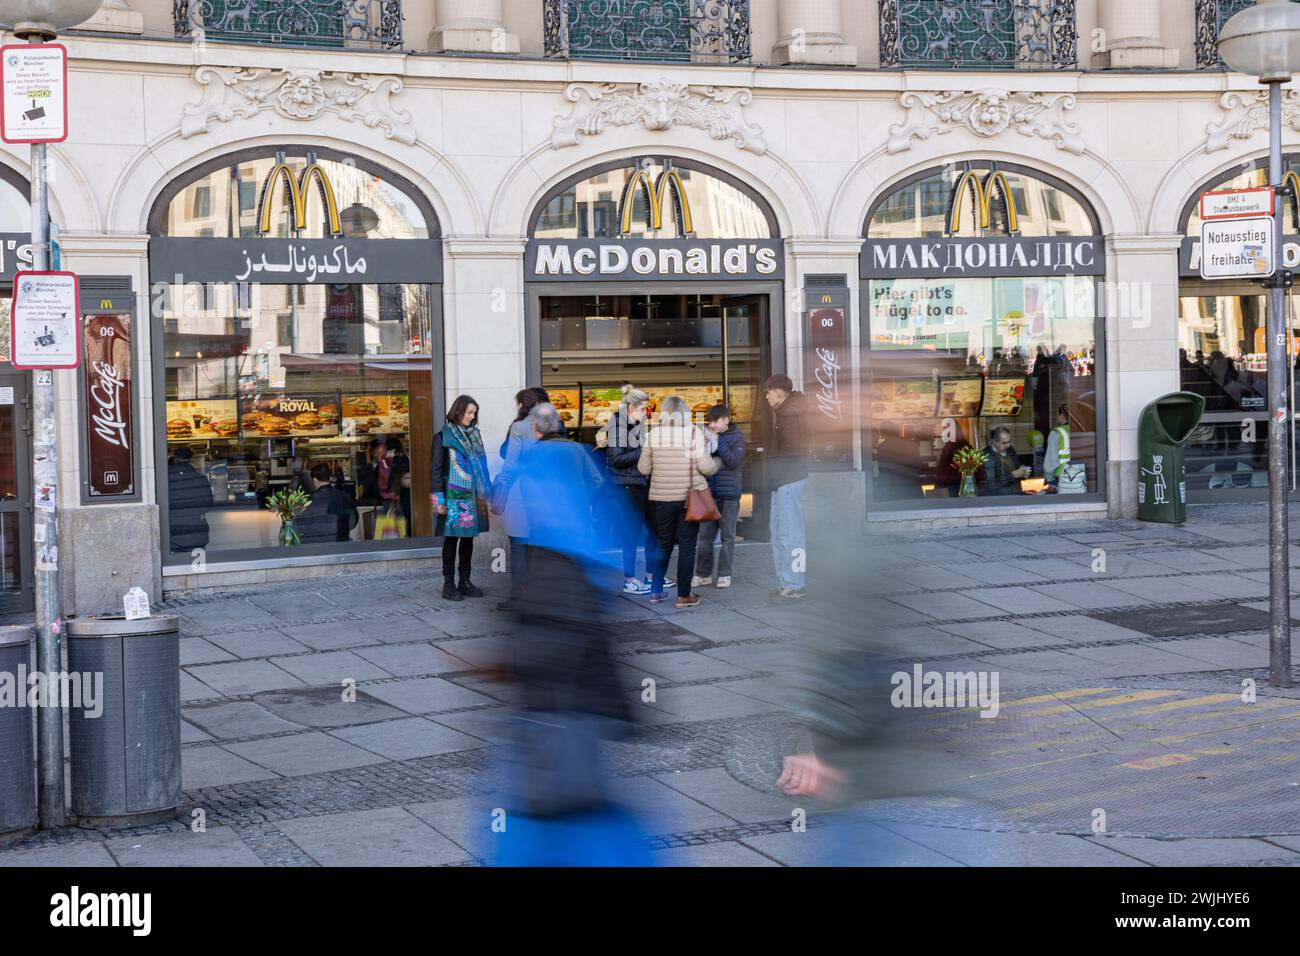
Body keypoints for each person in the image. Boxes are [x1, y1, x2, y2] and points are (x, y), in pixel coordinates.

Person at [488, 402, 649, 865]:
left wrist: (504, 666)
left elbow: (556, 640)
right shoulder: (578, 458)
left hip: (560, 731)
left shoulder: (552, 559)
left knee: (564, 828)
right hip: (573, 718)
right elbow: (602, 488)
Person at [637, 395, 719, 609]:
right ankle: (684, 596)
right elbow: (706, 467)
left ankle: (656, 591)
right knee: (687, 547)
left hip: (662, 499)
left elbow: (643, 469)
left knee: (663, 544)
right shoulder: (694, 433)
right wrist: (716, 461)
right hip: (688, 500)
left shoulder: (653, 435)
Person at [430, 395, 492, 601]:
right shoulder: (442, 437)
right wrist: (438, 502)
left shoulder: (475, 436)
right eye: (469, 413)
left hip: (473, 495)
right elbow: (435, 471)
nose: (472, 417)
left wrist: (489, 492)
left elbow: (483, 466)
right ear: (458, 412)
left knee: (467, 540)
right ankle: (448, 584)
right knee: (451, 540)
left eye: (474, 413)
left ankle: (465, 581)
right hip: (452, 496)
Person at [601, 385, 661, 595]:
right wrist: (643, 451)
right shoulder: (618, 427)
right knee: (632, 534)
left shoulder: (637, 426)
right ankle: (629, 579)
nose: (646, 413)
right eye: (643, 409)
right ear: (630, 407)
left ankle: (651, 575)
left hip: (641, 483)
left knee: (655, 531)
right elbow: (615, 459)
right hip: (627, 485)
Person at [493, 388, 546, 609]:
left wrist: (501, 486)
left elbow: (510, 462)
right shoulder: (554, 427)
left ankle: (518, 597)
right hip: (546, 492)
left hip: (521, 492)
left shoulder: (519, 427)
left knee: (519, 546)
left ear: (524, 405)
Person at [763, 373, 813, 601]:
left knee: (791, 535)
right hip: (784, 481)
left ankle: (796, 583)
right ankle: (788, 582)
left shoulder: (791, 415)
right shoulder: (786, 413)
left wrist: (777, 471)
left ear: (779, 392)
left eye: (768, 392)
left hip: (789, 481)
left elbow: (793, 451)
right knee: (781, 534)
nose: (766, 396)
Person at [693, 404, 745, 590]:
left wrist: (717, 441)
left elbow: (733, 461)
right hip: (710, 493)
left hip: (730, 494)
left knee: (727, 537)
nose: (712, 425)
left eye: (716, 421)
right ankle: (702, 574)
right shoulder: (708, 437)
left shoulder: (737, 437)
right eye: (710, 422)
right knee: (704, 536)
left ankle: (724, 575)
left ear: (726, 419)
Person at [168, 445, 214, 553]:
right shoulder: (199, 478)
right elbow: (208, 504)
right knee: (197, 566)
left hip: (174, 529)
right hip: (197, 528)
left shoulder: (165, 479)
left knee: (176, 564)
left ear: (174, 458)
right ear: (190, 460)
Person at [297, 463, 355, 543]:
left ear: (315, 480)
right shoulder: (344, 496)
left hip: (311, 546)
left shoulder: (305, 500)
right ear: (330, 478)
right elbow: (352, 523)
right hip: (340, 545)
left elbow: (298, 526)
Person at [981, 426, 1030, 495]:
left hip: (1015, 492)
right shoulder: (986, 455)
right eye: (1004, 443)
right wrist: (1013, 475)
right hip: (998, 496)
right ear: (994, 442)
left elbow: (1017, 468)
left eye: (1009, 441)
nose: (1008, 445)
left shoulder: (1010, 450)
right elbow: (991, 483)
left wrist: (1023, 473)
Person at [383, 436, 412, 531]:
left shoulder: (393, 463)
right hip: (405, 498)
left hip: (396, 499)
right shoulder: (406, 461)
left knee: (396, 527)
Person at [1043, 404, 1071, 489]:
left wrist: (1049, 478)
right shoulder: (1078, 430)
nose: (1056, 417)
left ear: (1062, 416)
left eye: (1057, 415)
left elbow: (1051, 459)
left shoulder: (1056, 432)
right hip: (1078, 474)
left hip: (1060, 476)